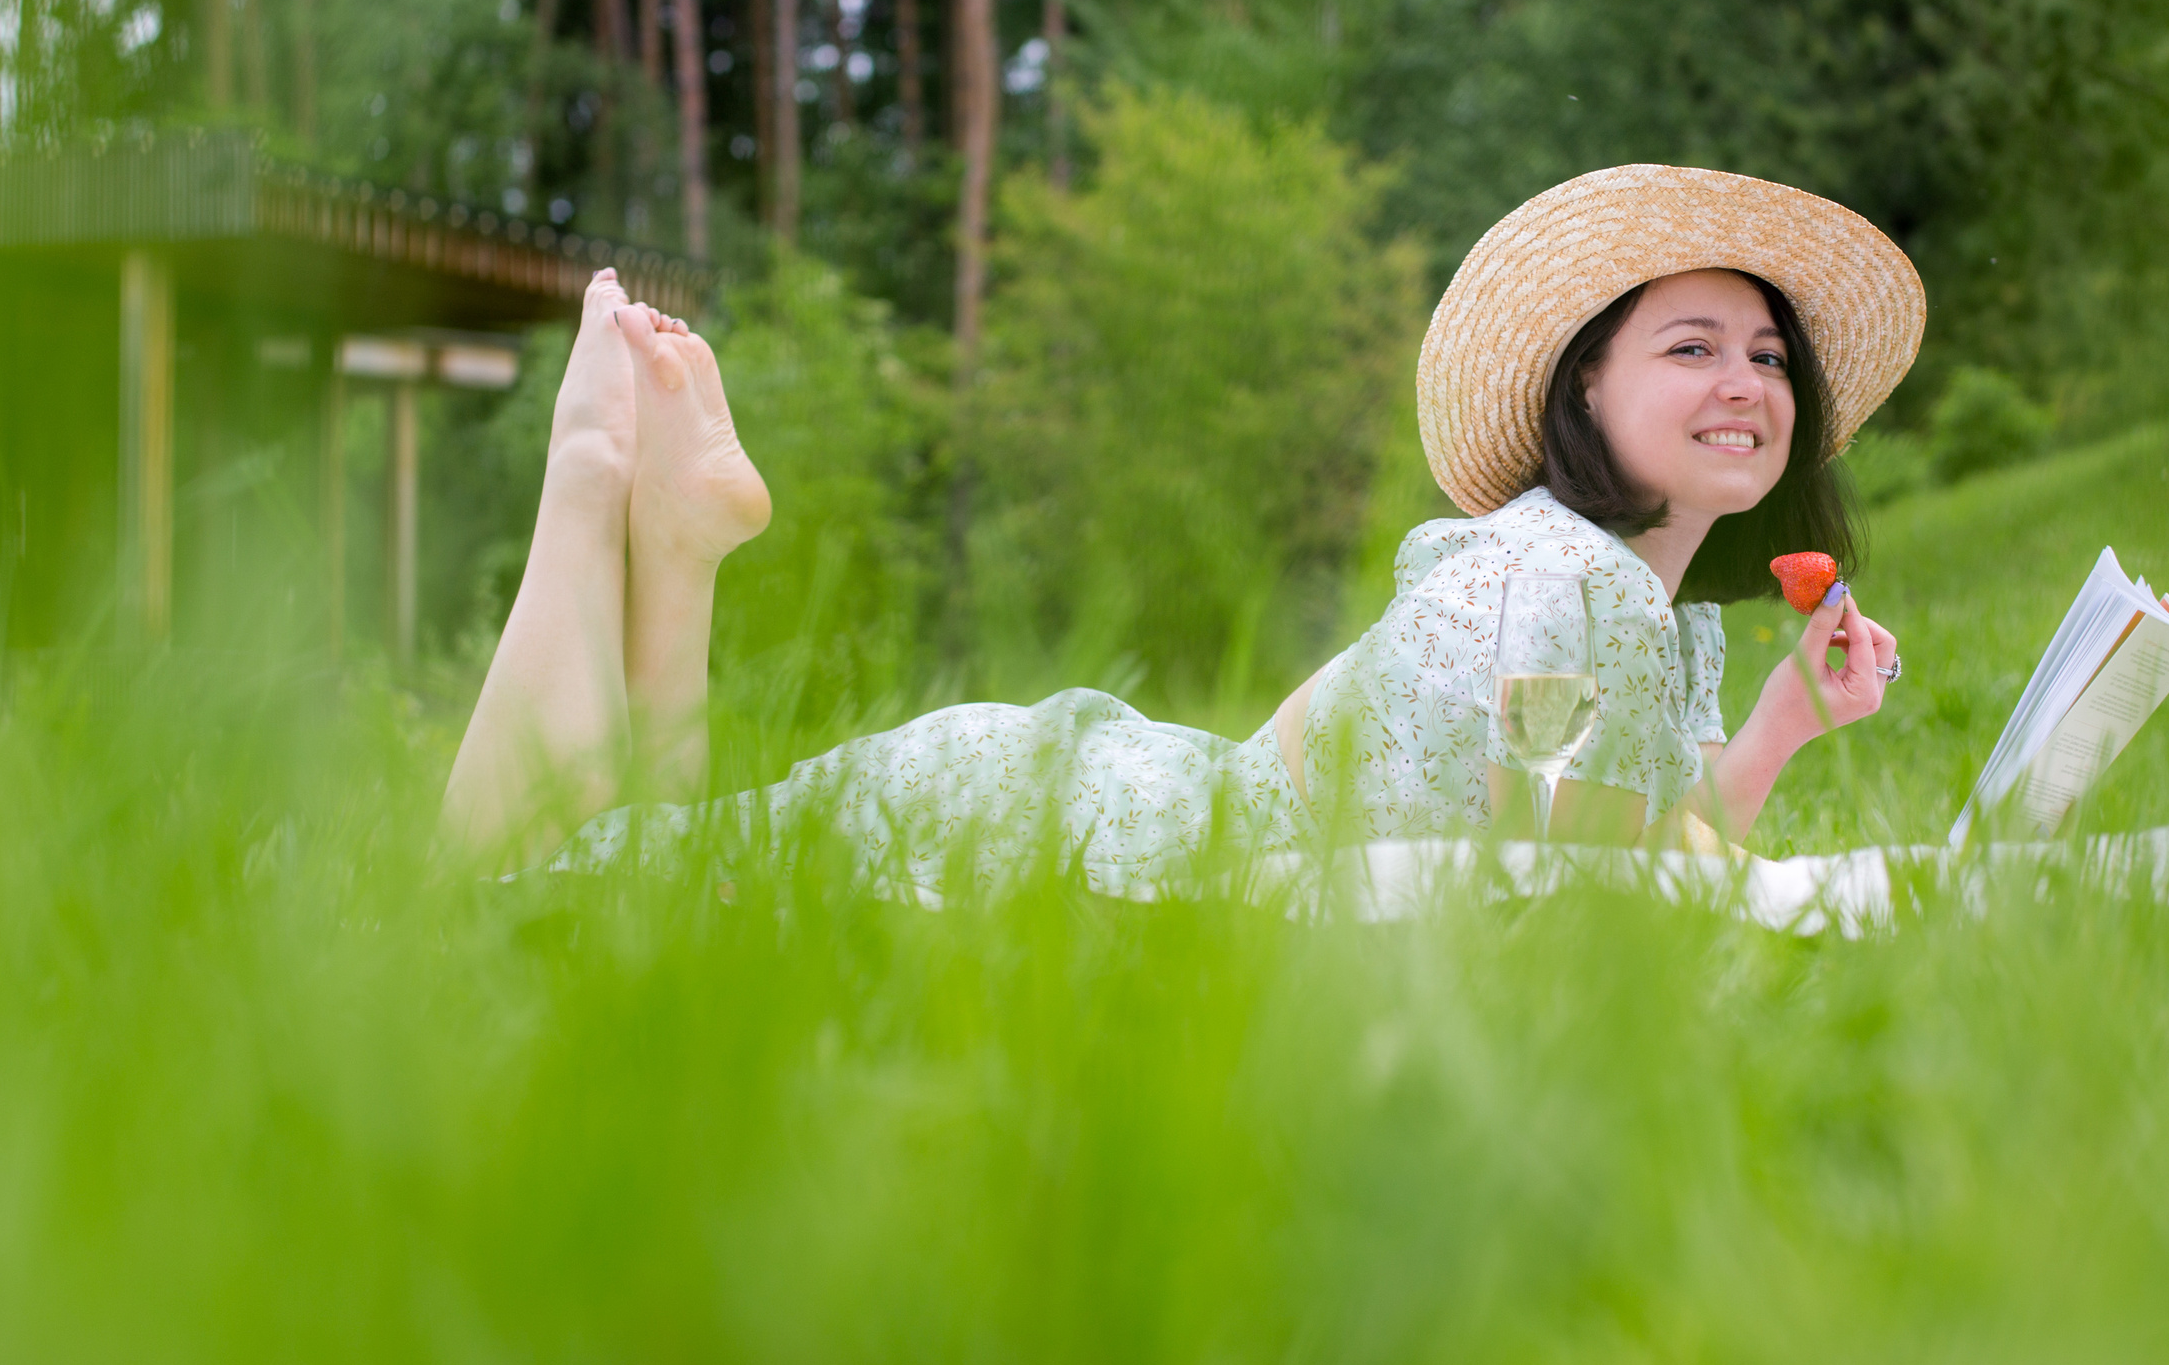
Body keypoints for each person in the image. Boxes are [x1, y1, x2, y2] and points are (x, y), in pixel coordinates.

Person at [443, 165, 1920, 888]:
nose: (1747, 382)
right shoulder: (1555, 573)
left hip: (1108, 814)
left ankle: (682, 547)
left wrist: (1788, 719)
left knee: (636, 889)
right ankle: (587, 479)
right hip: (1062, 835)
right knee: (503, 886)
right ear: (1581, 386)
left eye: (1771, 356)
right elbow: (1564, 856)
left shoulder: (1642, 616)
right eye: (1693, 346)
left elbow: (1625, 845)